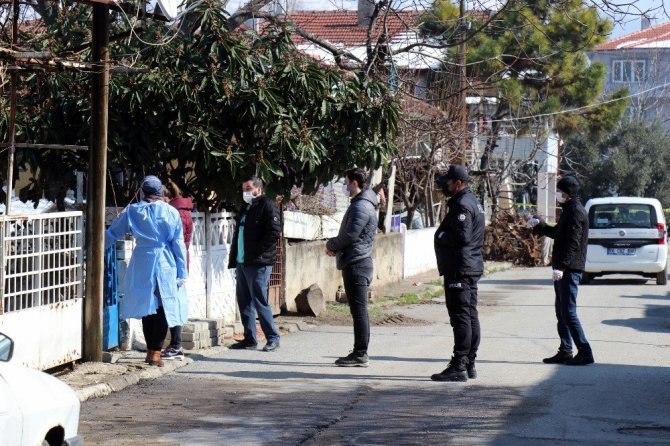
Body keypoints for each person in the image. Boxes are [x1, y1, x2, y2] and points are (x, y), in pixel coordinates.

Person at [105, 175, 188, 367]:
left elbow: (113, 232)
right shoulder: (171, 212)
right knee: (163, 307)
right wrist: (182, 271)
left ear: (143, 192)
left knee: (147, 307)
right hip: (166, 262)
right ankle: (156, 353)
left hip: (142, 260)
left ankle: (151, 351)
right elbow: (178, 244)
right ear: (160, 192)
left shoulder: (133, 211)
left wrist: (93, 249)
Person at [528, 176, 594, 366]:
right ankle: (565, 350)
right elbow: (558, 233)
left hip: (569, 270)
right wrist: (540, 225)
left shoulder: (576, 212)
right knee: (561, 312)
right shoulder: (568, 210)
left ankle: (585, 352)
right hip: (563, 269)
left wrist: (561, 267)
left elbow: (572, 243)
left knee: (569, 312)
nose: (557, 194)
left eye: (560, 191)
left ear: (568, 193)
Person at [431, 165, 485, 382]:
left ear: (458, 183)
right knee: (469, 314)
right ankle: (469, 362)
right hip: (469, 266)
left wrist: (441, 236)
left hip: (460, 268)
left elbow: (462, 237)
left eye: (448, 181)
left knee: (461, 316)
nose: (445, 184)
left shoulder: (463, 205)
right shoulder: (472, 202)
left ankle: (459, 364)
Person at [326, 168, 378, 367]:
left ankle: (360, 353)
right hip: (357, 260)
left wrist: (331, 245)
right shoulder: (363, 204)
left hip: (357, 263)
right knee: (358, 310)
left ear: (355, 183)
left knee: (359, 311)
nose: (344, 186)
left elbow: (350, 235)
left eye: (346, 182)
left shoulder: (361, 206)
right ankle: (359, 352)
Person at [228, 175, 282, 352]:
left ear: (259, 189)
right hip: (242, 261)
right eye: (244, 189)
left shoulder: (268, 205)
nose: (245, 192)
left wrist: (258, 252)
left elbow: (274, 232)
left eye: (249, 189)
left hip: (258, 262)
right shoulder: (246, 207)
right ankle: (250, 339)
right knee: (244, 301)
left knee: (259, 301)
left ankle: (273, 338)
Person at [161, 180, 194, 361]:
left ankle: (176, 345)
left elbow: (176, 242)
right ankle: (175, 344)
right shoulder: (183, 210)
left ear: (167, 198)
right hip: (178, 262)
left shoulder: (175, 213)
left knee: (172, 303)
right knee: (175, 302)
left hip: (172, 263)